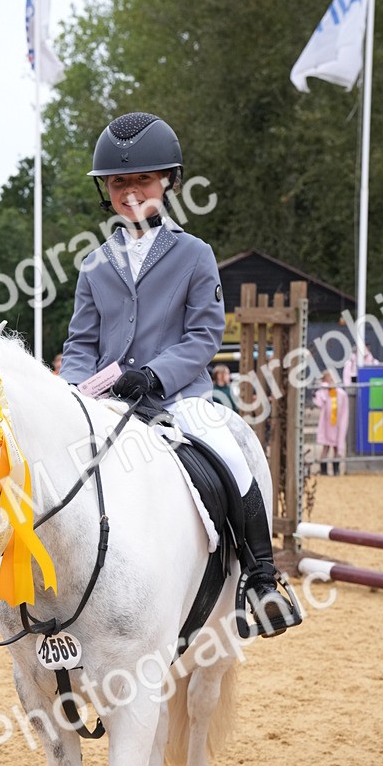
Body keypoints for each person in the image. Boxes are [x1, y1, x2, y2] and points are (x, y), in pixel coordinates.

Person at [59, 110, 298, 636]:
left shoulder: (195, 255)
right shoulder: (94, 264)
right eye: (119, 182)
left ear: (167, 182)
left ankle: (260, 578)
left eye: (142, 180)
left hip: (177, 398)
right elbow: (79, 343)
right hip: (106, 403)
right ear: (107, 190)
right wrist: (74, 392)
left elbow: (204, 336)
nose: (130, 192)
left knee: (231, 453)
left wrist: (154, 375)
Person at [312, 370, 349, 475]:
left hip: (337, 425)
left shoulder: (340, 393)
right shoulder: (324, 392)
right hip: (327, 425)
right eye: (328, 379)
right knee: (325, 448)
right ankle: (323, 470)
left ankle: (336, 469)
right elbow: (318, 402)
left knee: (337, 448)